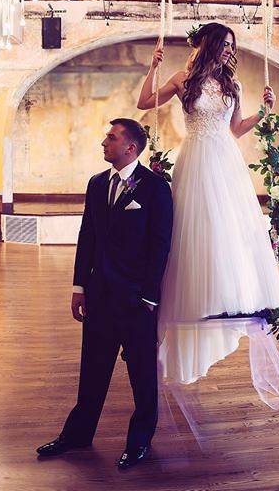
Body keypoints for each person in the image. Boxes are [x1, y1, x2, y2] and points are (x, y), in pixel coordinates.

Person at [136, 23, 279, 390]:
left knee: (227, 232)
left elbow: (235, 129)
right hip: (196, 157)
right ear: (208, 45)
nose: (228, 51)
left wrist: (264, 114)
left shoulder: (232, 85)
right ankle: (192, 301)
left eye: (231, 46)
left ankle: (224, 297)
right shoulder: (183, 78)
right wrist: (152, 67)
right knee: (194, 230)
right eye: (223, 44)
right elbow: (144, 102)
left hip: (225, 160)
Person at [36, 118, 173, 470]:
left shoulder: (155, 188)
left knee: (142, 376)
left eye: (111, 138)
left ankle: (139, 441)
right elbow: (88, 238)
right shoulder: (97, 184)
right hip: (98, 296)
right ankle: (77, 434)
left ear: (131, 147)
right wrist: (79, 287)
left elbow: (161, 246)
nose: (104, 142)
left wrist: (149, 297)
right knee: (93, 371)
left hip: (137, 301)